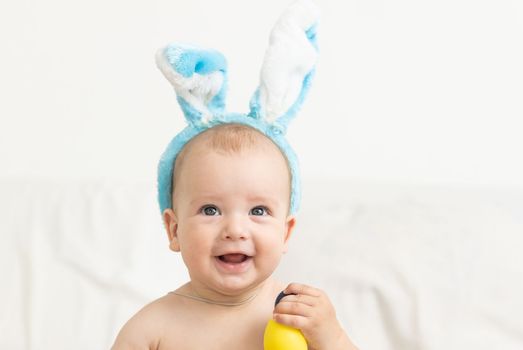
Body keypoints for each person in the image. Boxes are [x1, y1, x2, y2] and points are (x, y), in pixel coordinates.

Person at [112, 1, 356, 348]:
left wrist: (331, 335)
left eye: (258, 211)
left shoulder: (298, 318)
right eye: (210, 210)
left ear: (286, 232)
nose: (235, 230)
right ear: (174, 228)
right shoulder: (152, 329)